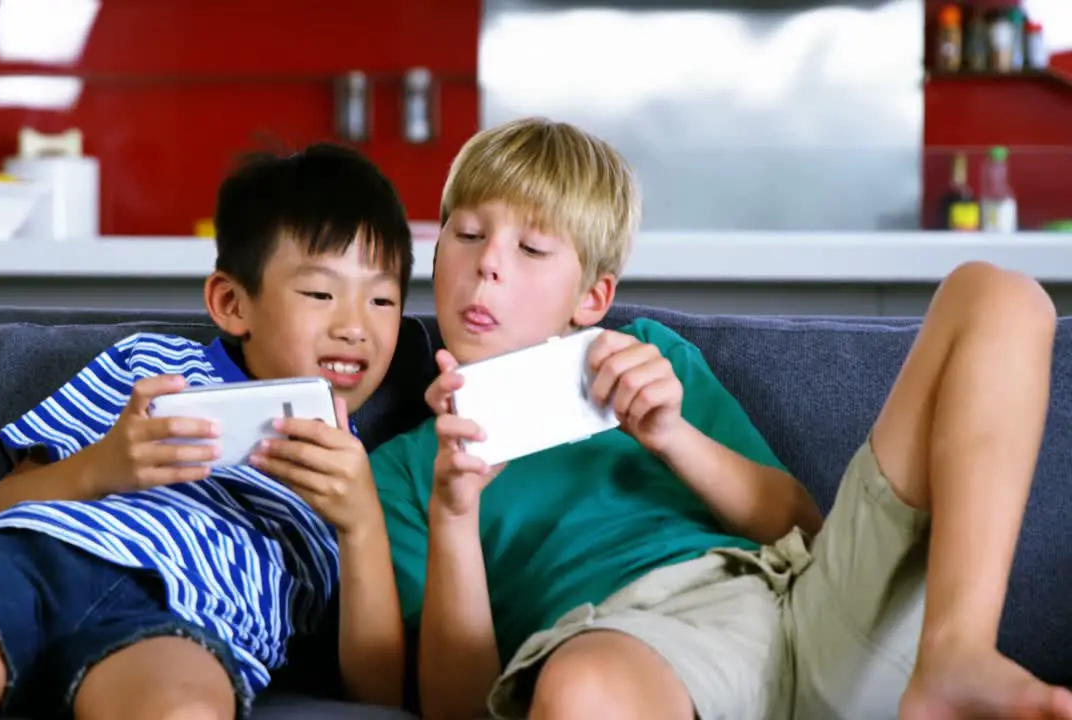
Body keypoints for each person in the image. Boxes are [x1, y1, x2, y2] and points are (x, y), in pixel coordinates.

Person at [371, 117, 1072, 720]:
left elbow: (801, 526)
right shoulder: (406, 471)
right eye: (467, 234)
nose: (488, 263)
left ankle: (956, 655)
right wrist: (455, 512)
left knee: (998, 295)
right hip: (642, 652)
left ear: (593, 296)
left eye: (529, 248)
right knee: (583, 687)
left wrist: (673, 435)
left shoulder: (646, 357)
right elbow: (457, 707)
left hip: (804, 602)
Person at [0, 143, 412, 720]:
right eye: (320, 293)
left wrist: (359, 526)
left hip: (189, 624)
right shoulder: (152, 367)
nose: (355, 325)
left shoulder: (369, 473)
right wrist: (102, 466)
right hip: (33, 561)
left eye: (383, 299)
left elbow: (379, 693)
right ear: (232, 303)